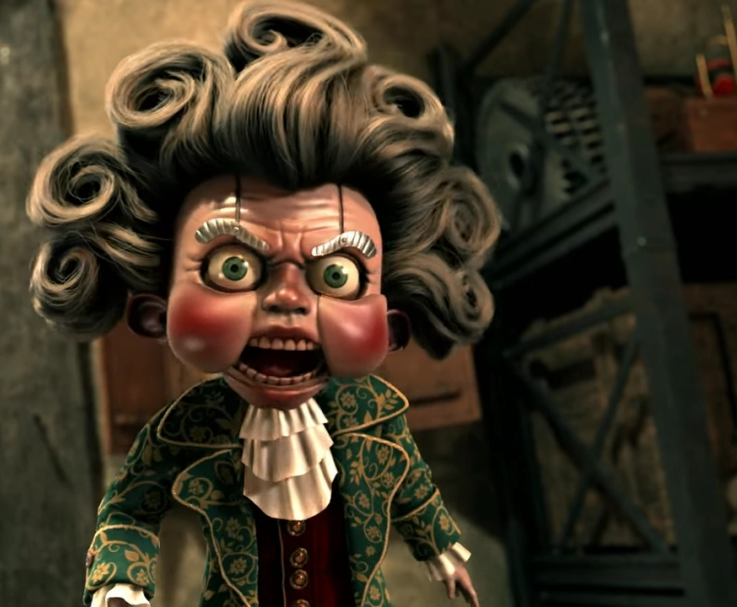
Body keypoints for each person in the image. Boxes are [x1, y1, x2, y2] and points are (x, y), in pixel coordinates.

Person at [25, 2, 502, 606]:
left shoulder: (374, 414)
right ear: (156, 315)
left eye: (337, 274)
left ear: (391, 327)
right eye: (234, 267)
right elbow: (131, 505)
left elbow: (410, 485)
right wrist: (120, 581)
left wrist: (442, 550)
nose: (287, 300)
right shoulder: (187, 429)